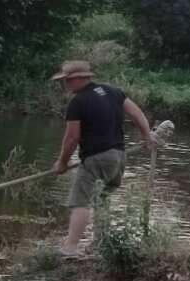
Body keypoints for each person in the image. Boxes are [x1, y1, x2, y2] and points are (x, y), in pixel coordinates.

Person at [50, 60, 154, 256]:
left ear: (79, 79)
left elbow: (72, 137)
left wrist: (62, 162)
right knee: (102, 199)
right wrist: (147, 136)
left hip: (96, 159)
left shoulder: (78, 102)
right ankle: (101, 244)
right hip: (119, 157)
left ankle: (70, 248)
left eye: (67, 81)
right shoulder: (113, 91)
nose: (65, 85)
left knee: (80, 202)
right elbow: (137, 114)